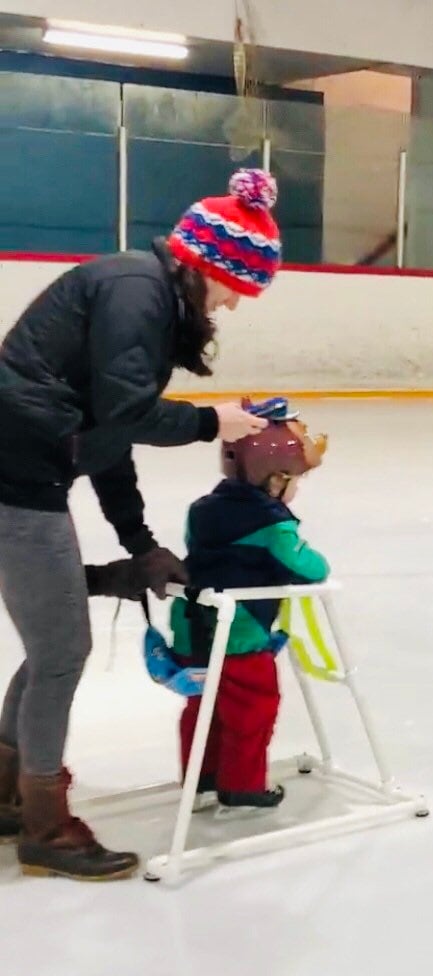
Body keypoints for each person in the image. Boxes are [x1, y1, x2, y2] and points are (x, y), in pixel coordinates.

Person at [0, 169, 282, 880]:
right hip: (15, 474)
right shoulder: (139, 293)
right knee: (62, 649)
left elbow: (105, 438)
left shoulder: (144, 294)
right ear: (208, 265)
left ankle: (6, 794)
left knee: (50, 643)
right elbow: (128, 414)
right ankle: (44, 826)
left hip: (28, 465)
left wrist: (140, 544)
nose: (232, 306)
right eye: (235, 289)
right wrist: (209, 421)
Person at [171, 405, 329, 811]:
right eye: (294, 480)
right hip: (240, 631)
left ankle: (201, 774)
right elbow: (305, 566)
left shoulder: (202, 508)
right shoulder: (273, 522)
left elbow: (196, 547)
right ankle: (241, 783)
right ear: (274, 479)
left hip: (194, 623)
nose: (295, 489)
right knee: (251, 706)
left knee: (203, 703)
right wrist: (317, 563)